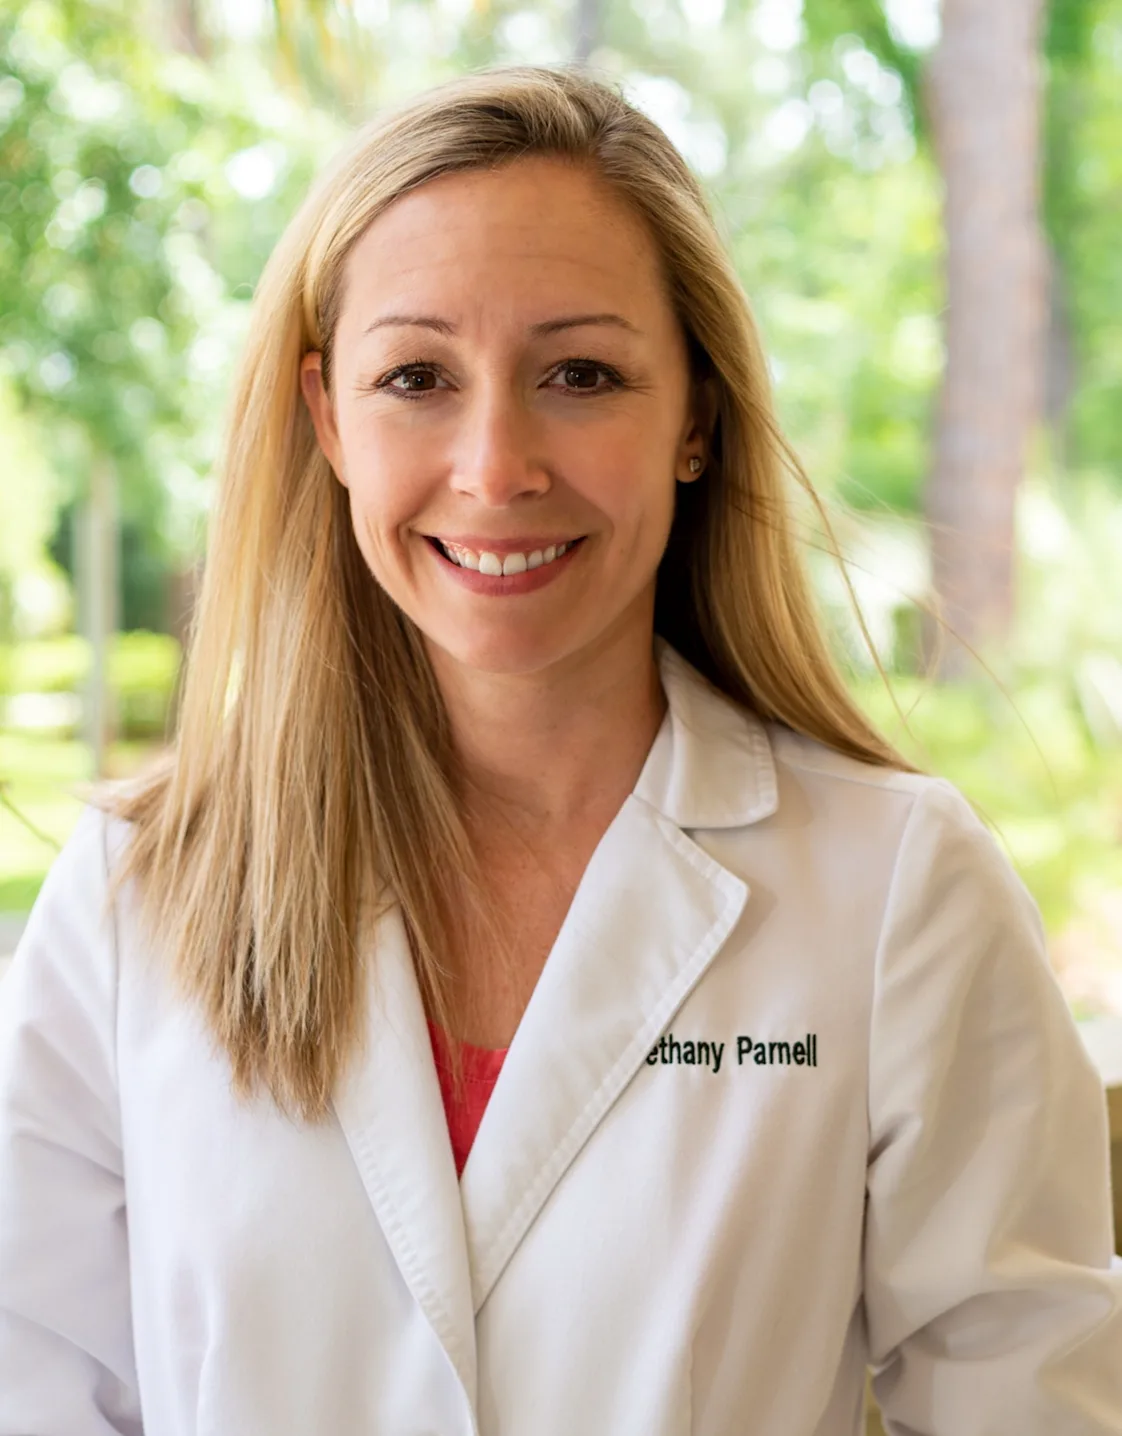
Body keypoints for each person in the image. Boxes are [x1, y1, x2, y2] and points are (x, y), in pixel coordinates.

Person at [0, 63, 1119, 1436]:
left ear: (695, 417)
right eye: (416, 377)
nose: (496, 465)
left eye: (580, 375)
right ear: (328, 421)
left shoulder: (897, 891)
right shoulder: (129, 901)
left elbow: (1030, 1400)